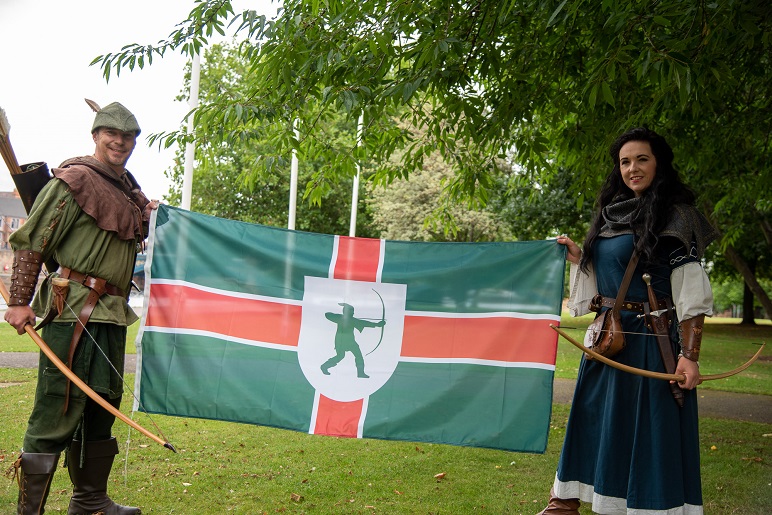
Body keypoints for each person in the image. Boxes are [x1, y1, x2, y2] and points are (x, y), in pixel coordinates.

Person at [539, 127, 717, 514]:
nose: (632, 168)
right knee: (595, 422)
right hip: (608, 340)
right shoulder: (612, 215)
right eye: (624, 162)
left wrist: (690, 355)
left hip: (650, 345)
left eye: (642, 159)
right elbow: (608, 277)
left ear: (659, 163)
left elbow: (689, 289)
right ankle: (566, 502)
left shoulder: (677, 215)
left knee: (647, 431)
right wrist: (578, 256)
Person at [5, 102, 157, 514]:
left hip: (112, 315)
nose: (120, 142)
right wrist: (19, 302)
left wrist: (151, 212)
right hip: (74, 313)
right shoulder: (73, 181)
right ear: (95, 135)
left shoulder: (127, 189)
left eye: (128, 137)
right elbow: (33, 240)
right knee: (58, 407)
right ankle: (28, 511)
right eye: (112, 134)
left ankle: (90, 501)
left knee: (100, 408)